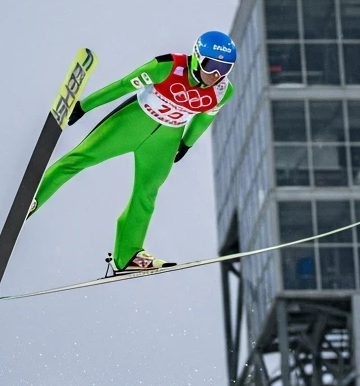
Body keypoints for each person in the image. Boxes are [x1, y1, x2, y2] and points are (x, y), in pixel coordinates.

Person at [28, 32, 237, 272]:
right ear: (198, 58)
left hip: (165, 140)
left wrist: (187, 144)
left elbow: (203, 119)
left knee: (146, 194)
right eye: (212, 65)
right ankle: (34, 197)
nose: (216, 75)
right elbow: (123, 84)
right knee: (80, 158)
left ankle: (127, 255)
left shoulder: (222, 91)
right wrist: (85, 106)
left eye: (225, 68)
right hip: (132, 123)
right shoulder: (167, 66)